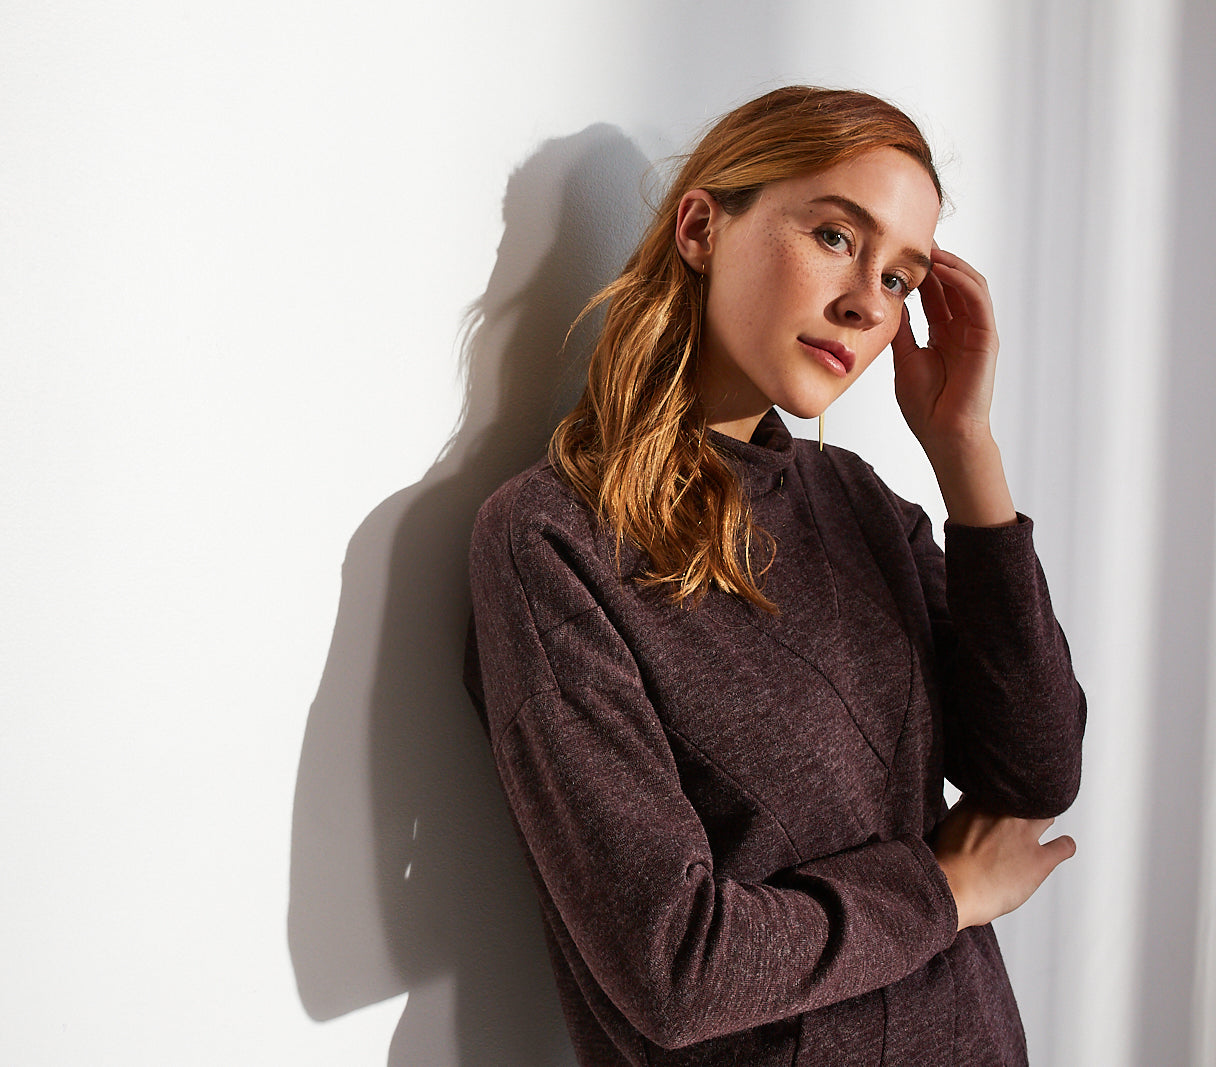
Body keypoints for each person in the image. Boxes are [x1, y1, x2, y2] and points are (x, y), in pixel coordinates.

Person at [464, 86, 1085, 1066]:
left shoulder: (859, 504)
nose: (866, 302)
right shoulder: (553, 541)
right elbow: (674, 967)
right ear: (701, 227)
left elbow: (1036, 771)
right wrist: (944, 890)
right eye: (836, 236)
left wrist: (967, 454)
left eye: (899, 278)